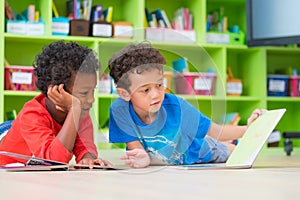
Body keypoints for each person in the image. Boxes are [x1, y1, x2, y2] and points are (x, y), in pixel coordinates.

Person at [108, 42, 263, 168]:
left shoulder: (177, 107)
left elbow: (215, 130)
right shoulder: (119, 110)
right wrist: (142, 157)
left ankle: (232, 145)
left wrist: (249, 130)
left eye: (159, 85)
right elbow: (137, 150)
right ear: (125, 94)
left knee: (229, 152)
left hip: (198, 152)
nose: (155, 94)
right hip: (168, 161)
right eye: (145, 90)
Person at [0, 40, 110, 166]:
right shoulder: (31, 115)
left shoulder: (80, 111)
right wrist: (74, 108)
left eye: (93, 91)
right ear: (57, 91)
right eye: (84, 93)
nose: (92, 100)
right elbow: (54, 160)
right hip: (6, 153)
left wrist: (89, 158)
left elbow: (85, 146)